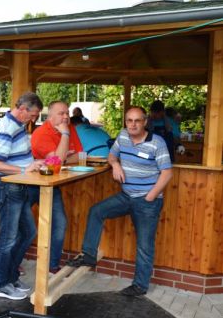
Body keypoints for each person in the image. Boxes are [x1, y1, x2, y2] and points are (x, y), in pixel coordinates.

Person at [67, 106, 173, 297]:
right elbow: (111, 155)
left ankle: (140, 286)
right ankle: (89, 256)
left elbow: (167, 173)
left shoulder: (157, 142)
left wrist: (150, 196)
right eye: (129, 120)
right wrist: (115, 164)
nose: (133, 124)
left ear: (145, 122)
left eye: (137, 120)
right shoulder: (123, 136)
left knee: (144, 245)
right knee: (96, 211)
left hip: (147, 201)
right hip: (126, 196)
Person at [0, 92, 44, 300]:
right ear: (22, 109)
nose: (34, 119)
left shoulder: (18, 125)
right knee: (8, 238)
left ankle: (11, 277)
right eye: (33, 115)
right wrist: (24, 170)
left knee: (28, 232)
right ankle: (1, 284)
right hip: (8, 187)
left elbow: (16, 157)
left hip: (18, 187)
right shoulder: (7, 127)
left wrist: (33, 163)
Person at [30, 101, 80, 273]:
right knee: (22, 228)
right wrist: (65, 136)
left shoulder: (69, 127)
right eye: (61, 113)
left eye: (67, 113)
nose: (66, 117)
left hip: (52, 184)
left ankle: (52, 266)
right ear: (50, 116)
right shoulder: (41, 134)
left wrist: (62, 157)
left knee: (60, 223)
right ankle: (12, 265)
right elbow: (57, 162)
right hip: (31, 185)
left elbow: (80, 155)